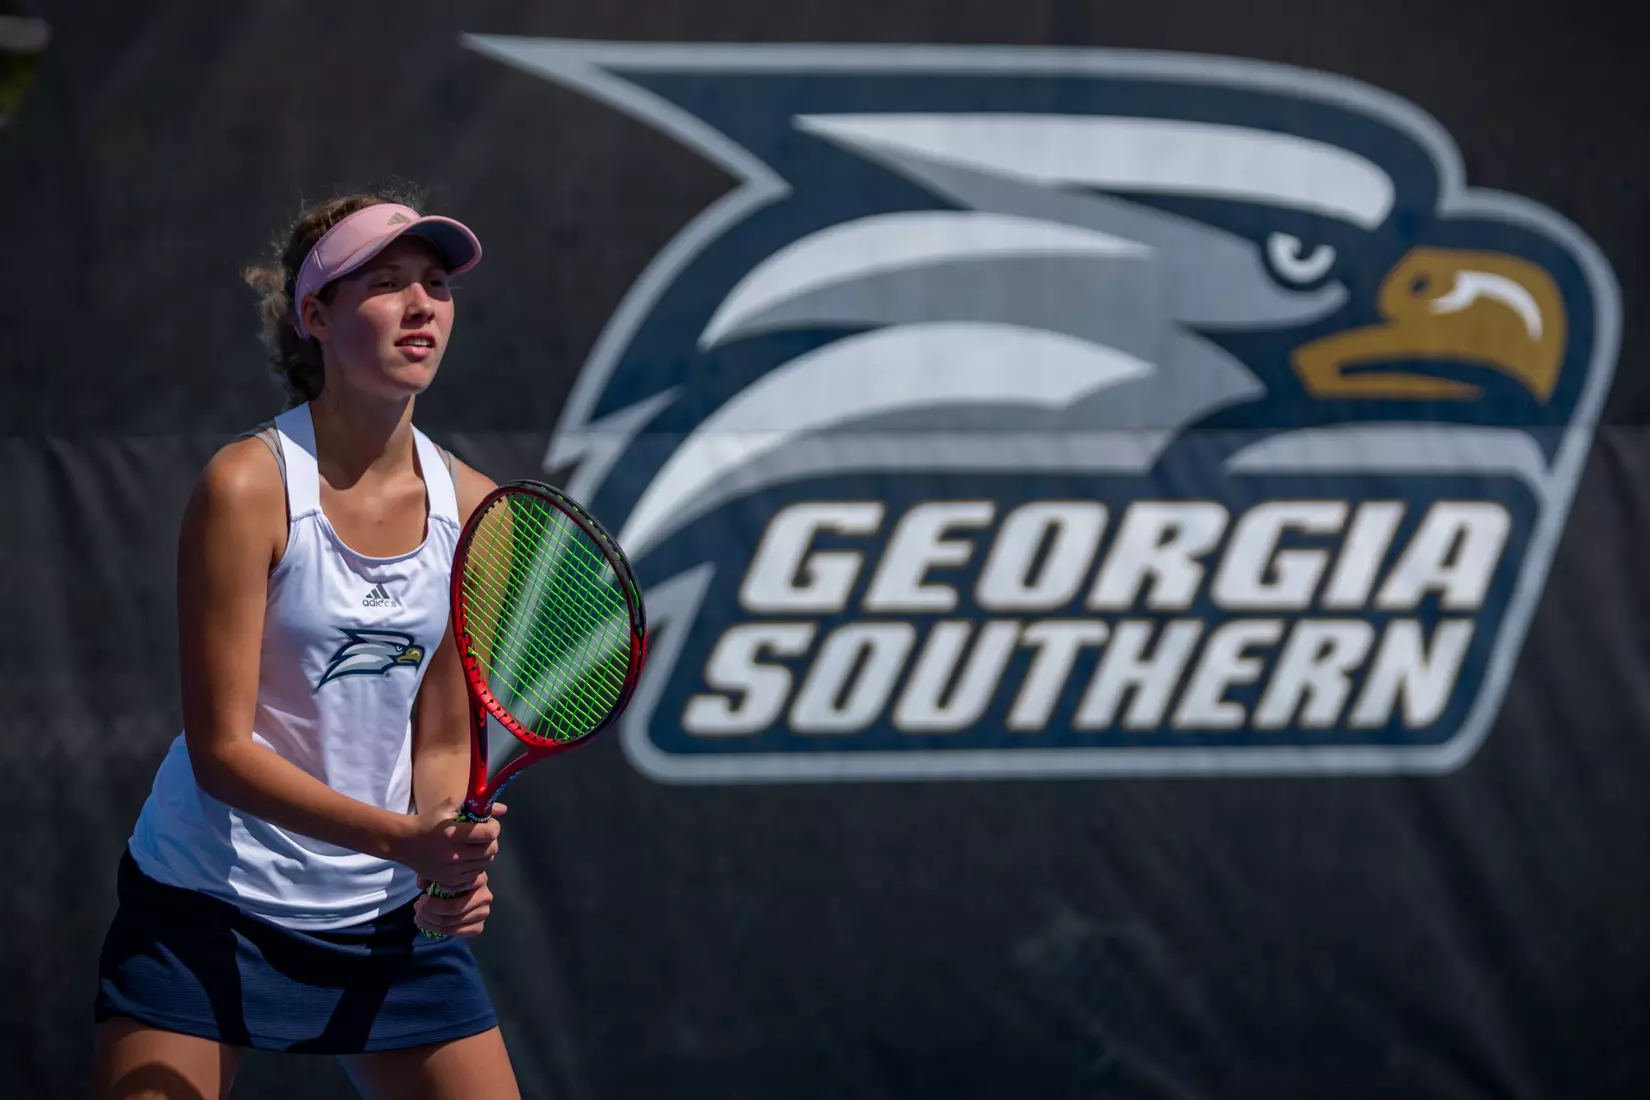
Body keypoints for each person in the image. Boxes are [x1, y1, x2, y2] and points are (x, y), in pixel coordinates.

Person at [89, 189, 521, 1099]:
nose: (421, 306)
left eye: (436, 284)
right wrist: (409, 842)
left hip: (384, 921)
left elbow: (443, 738)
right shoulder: (247, 486)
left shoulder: (480, 512)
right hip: (209, 904)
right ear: (314, 315)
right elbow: (220, 753)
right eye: (387, 283)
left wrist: (442, 845)